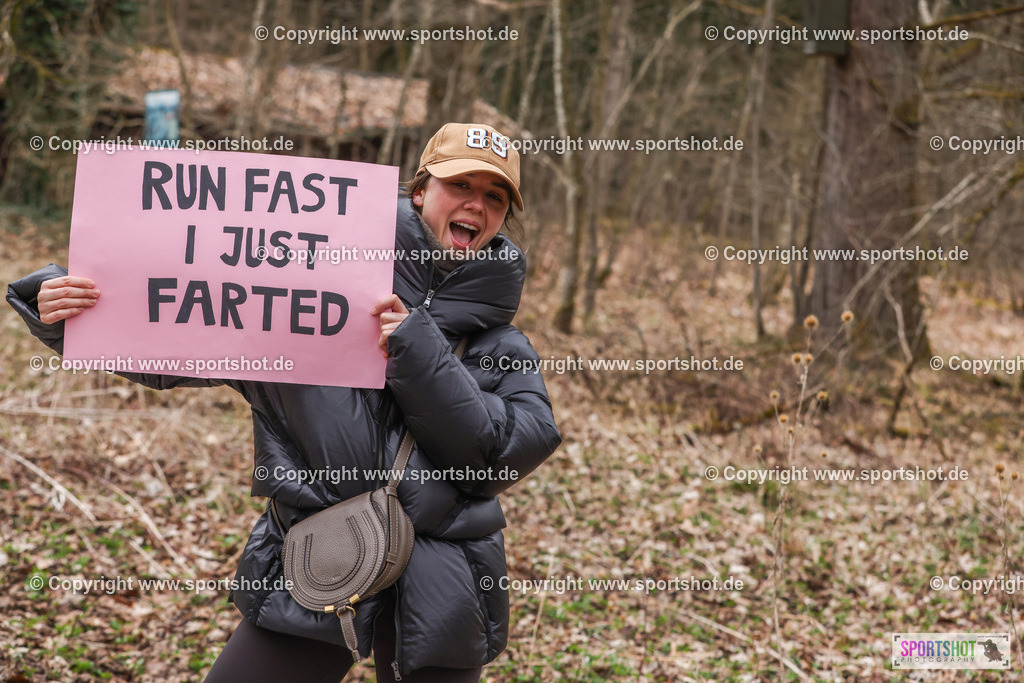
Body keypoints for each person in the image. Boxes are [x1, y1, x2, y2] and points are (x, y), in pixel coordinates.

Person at [6, 122, 562, 682]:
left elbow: (493, 456)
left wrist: (416, 349)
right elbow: (177, 343)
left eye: (495, 197)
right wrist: (71, 315)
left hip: (447, 586)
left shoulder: (502, 346)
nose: (477, 204)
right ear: (420, 191)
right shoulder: (309, 289)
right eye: (460, 184)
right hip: (321, 559)